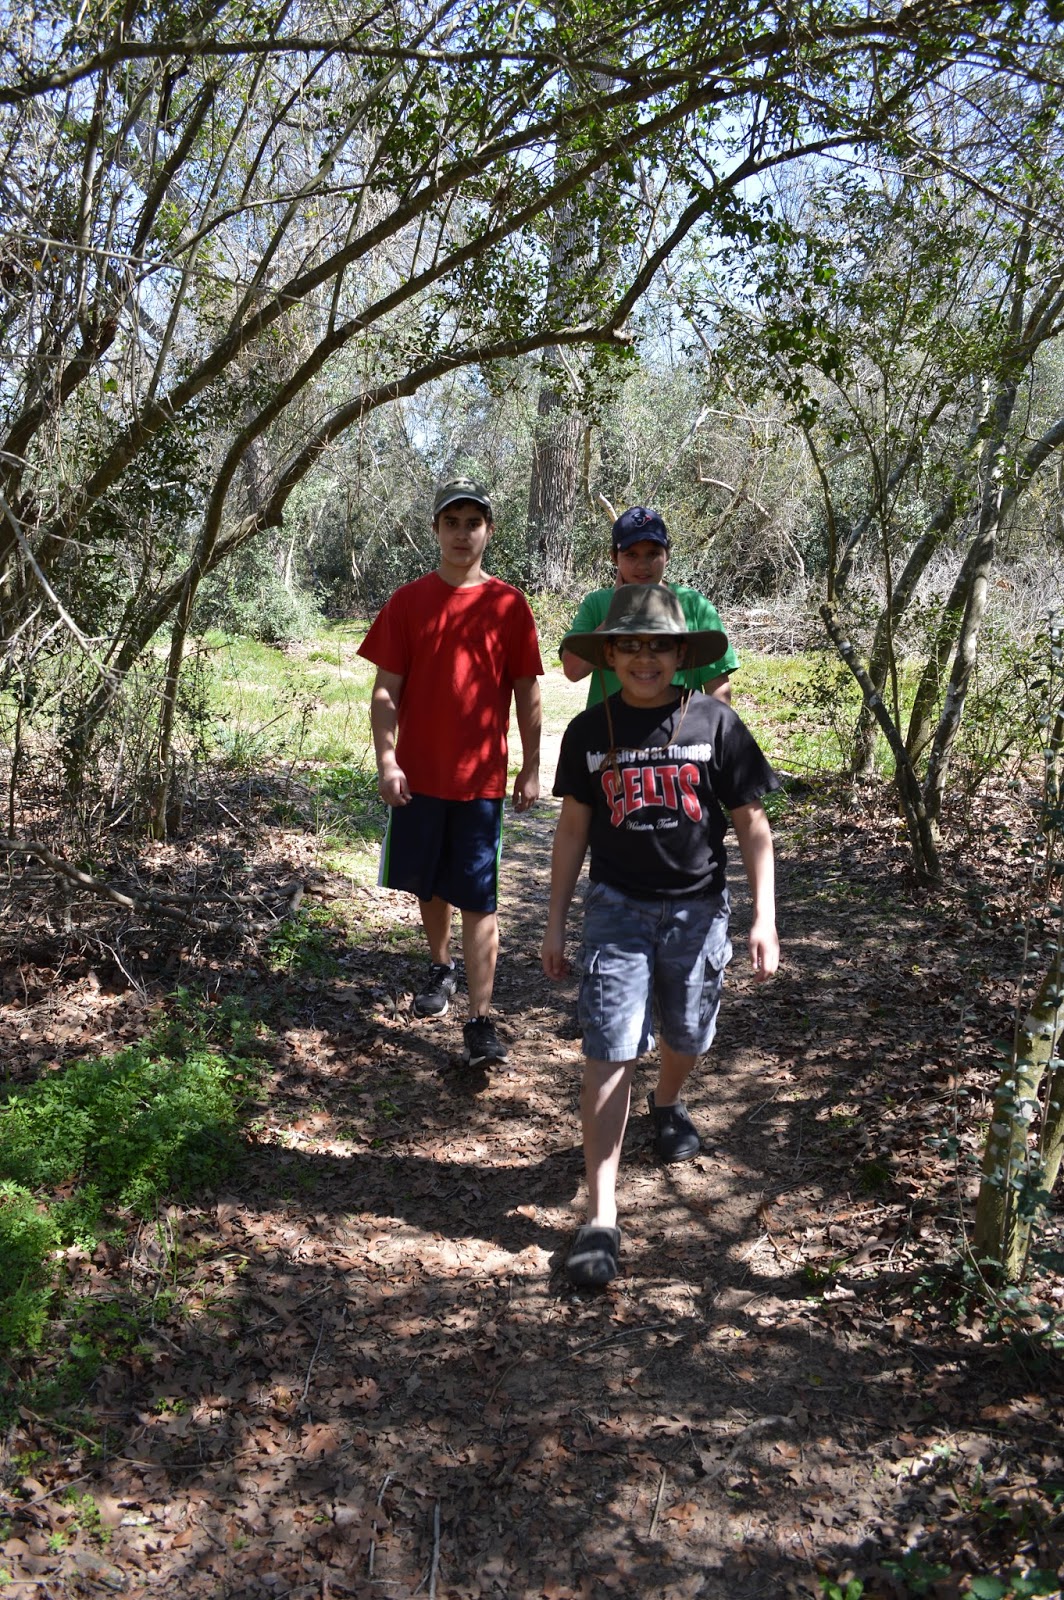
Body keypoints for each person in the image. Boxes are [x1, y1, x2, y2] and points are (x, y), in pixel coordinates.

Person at [541, 583, 779, 1286]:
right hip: (615, 909)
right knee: (609, 1050)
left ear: (682, 654)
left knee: (687, 1036)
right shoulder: (591, 732)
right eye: (631, 645)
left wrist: (764, 916)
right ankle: (602, 1217)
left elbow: (752, 825)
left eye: (660, 646)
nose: (645, 658)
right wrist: (556, 921)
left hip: (698, 912)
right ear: (610, 654)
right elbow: (573, 831)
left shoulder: (717, 724)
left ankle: (667, 1100)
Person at [358, 478, 543, 1067]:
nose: (463, 533)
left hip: (481, 780)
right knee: (429, 884)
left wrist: (532, 767)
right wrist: (387, 760)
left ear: (488, 530)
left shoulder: (510, 606)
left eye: (474, 522)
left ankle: (480, 1021)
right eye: (452, 522)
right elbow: (386, 691)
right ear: (436, 530)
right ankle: (440, 967)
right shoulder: (408, 602)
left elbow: (527, 691)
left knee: (479, 897)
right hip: (418, 776)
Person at [561, 505, 739, 706]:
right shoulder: (596, 604)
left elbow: (717, 685)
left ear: (667, 555)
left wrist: (713, 731)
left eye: (653, 554)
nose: (643, 565)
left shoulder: (695, 605)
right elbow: (573, 671)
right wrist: (615, 615)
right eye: (631, 555)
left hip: (681, 733)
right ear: (614, 557)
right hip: (608, 733)